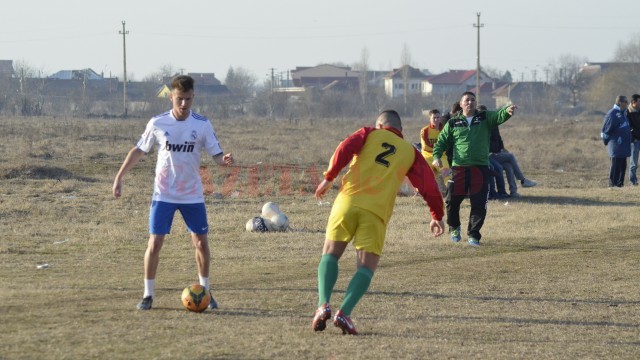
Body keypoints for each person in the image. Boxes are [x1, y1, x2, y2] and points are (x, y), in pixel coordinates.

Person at [312, 110, 445, 335]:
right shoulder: (410, 152)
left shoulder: (368, 133)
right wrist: (437, 216)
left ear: (380, 124)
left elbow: (344, 147)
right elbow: (429, 186)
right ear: (399, 130)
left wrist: (329, 177)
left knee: (331, 254)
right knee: (365, 268)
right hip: (375, 212)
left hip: (347, 203)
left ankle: (323, 304)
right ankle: (344, 313)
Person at [112, 75, 234, 310]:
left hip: (192, 195)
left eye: (188, 99)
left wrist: (224, 160)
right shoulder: (157, 123)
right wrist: (119, 177)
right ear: (171, 97)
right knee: (155, 243)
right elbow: (139, 150)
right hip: (163, 194)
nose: (184, 104)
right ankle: (148, 295)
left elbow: (217, 156)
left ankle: (206, 291)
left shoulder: (202, 124)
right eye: (179, 99)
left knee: (200, 243)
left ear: (193, 97)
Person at [432, 92, 517, 246]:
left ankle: (474, 235)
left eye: (473, 100)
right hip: (459, 167)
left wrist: (507, 112)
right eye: (467, 100)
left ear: (476, 102)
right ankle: (454, 226)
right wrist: (436, 156)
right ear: (461, 103)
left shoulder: (484, 117)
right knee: (452, 201)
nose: (470, 102)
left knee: (478, 203)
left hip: (480, 167)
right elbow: (441, 142)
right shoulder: (453, 122)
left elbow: (498, 115)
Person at [488, 119, 537, 198]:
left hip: (496, 153)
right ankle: (522, 180)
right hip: (489, 155)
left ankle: (513, 192)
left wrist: (502, 149)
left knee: (508, 166)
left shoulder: (494, 126)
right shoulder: (482, 127)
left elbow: (499, 140)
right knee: (510, 156)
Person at [601, 95, 631, 187]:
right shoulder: (612, 114)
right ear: (620, 102)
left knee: (623, 166)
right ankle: (612, 184)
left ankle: (620, 184)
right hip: (616, 146)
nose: (627, 103)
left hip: (624, 146)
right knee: (616, 166)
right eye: (625, 102)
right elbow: (605, 131)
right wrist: (606, 142)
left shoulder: (623, 113)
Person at [419, 109, 450, 193]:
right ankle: (420, 192)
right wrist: (439, 146)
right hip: (427, 156)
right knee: (425, 172)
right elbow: (425, 146)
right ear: (430, 119)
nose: (436, 120)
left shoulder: (444, 129)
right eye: (434, 118)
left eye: (438, 117)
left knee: (446, 172)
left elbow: (447, 144)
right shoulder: (424, 131)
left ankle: (449, 190)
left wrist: (439, 151)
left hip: (441, 155)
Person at [627, 94, 640, 185]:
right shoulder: (627, 112)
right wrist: (634, 137)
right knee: (634, 163)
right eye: (639, 101)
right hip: (634, 141)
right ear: (633, 102)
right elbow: (628, 128)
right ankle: (633, 181)